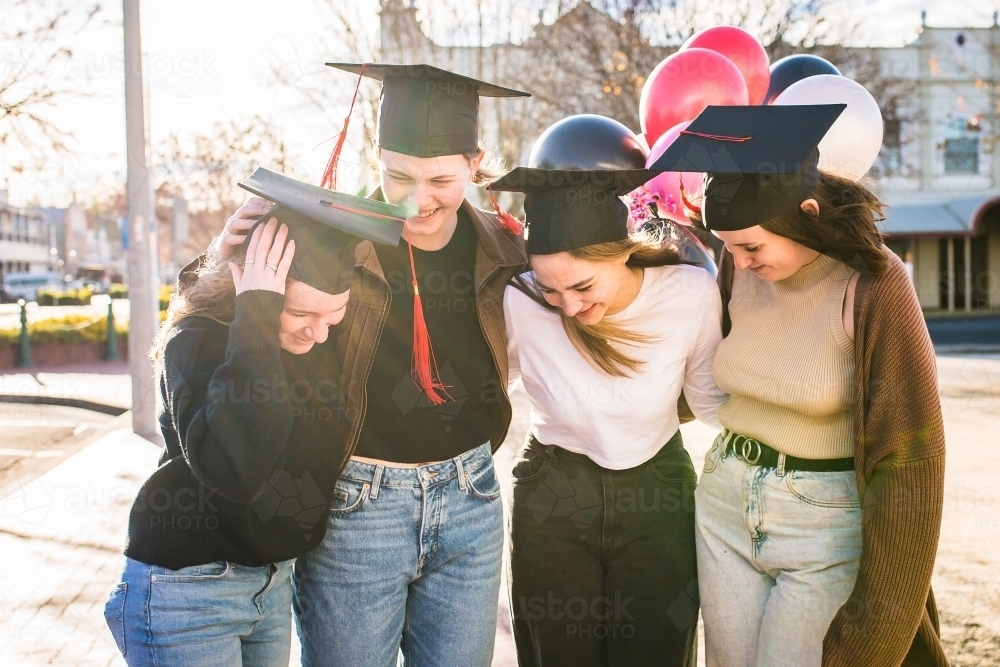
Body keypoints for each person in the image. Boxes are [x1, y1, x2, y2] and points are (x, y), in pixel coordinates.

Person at [652, 104, 948, 666]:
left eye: (752, 247)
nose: (737, 261)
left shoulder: (876, 286)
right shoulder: (738, 264)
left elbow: (912, 458)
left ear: (805, 211)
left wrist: (880, 627)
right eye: (730, 247)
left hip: (822, 523)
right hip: (724, 503)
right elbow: (709, 372)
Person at [103, 170, 404, 667]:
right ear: (256, 290)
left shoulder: (310, 342)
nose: (319, 334)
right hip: (189, 586)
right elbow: (235, 469)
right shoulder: (197, 341)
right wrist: (258, 317)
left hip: (271, 585)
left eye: (333, 316)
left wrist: (228, 264)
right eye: (302, 314)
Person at [489, 167, 726, 667]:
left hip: (658, 495)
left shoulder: (689, 292)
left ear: (619, 251)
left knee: (656, 652)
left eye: (581, 286)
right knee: (557, 654)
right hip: (553, 494)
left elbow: (708, 401)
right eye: (552, 291)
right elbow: (489, 388)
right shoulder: (520, 299)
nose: (569, 307)